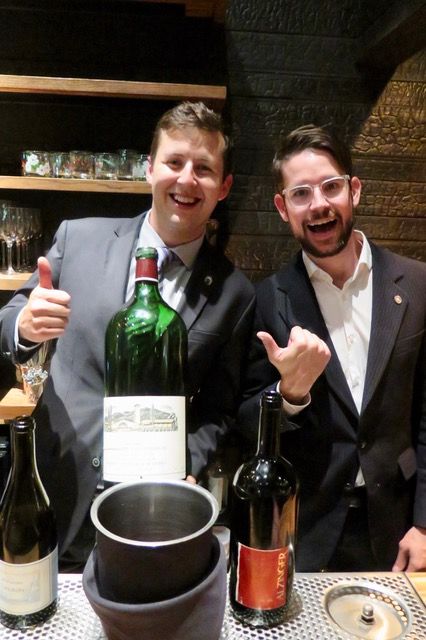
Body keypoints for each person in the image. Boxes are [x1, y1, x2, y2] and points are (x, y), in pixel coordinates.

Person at [0, 101, 255, 570]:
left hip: (153, 507)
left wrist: (184, 464)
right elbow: (8, 320)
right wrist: (25, 325)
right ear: (149, 169)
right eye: (174, 162)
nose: (186, 179)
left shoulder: (235, 294)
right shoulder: (78, 239)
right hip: (58, 487)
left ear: (223, 187)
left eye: (203, 169)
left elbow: (219, 409)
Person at [237, 124, 426, 572]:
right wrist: (289, 395)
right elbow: (244, 422)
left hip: (400, 525)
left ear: (353, 190)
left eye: (331, 186)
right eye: (301, 193)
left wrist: (425, 524)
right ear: (283, 208)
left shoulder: (418, 285)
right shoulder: (267, 300)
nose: (318, 204)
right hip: (309, 528)